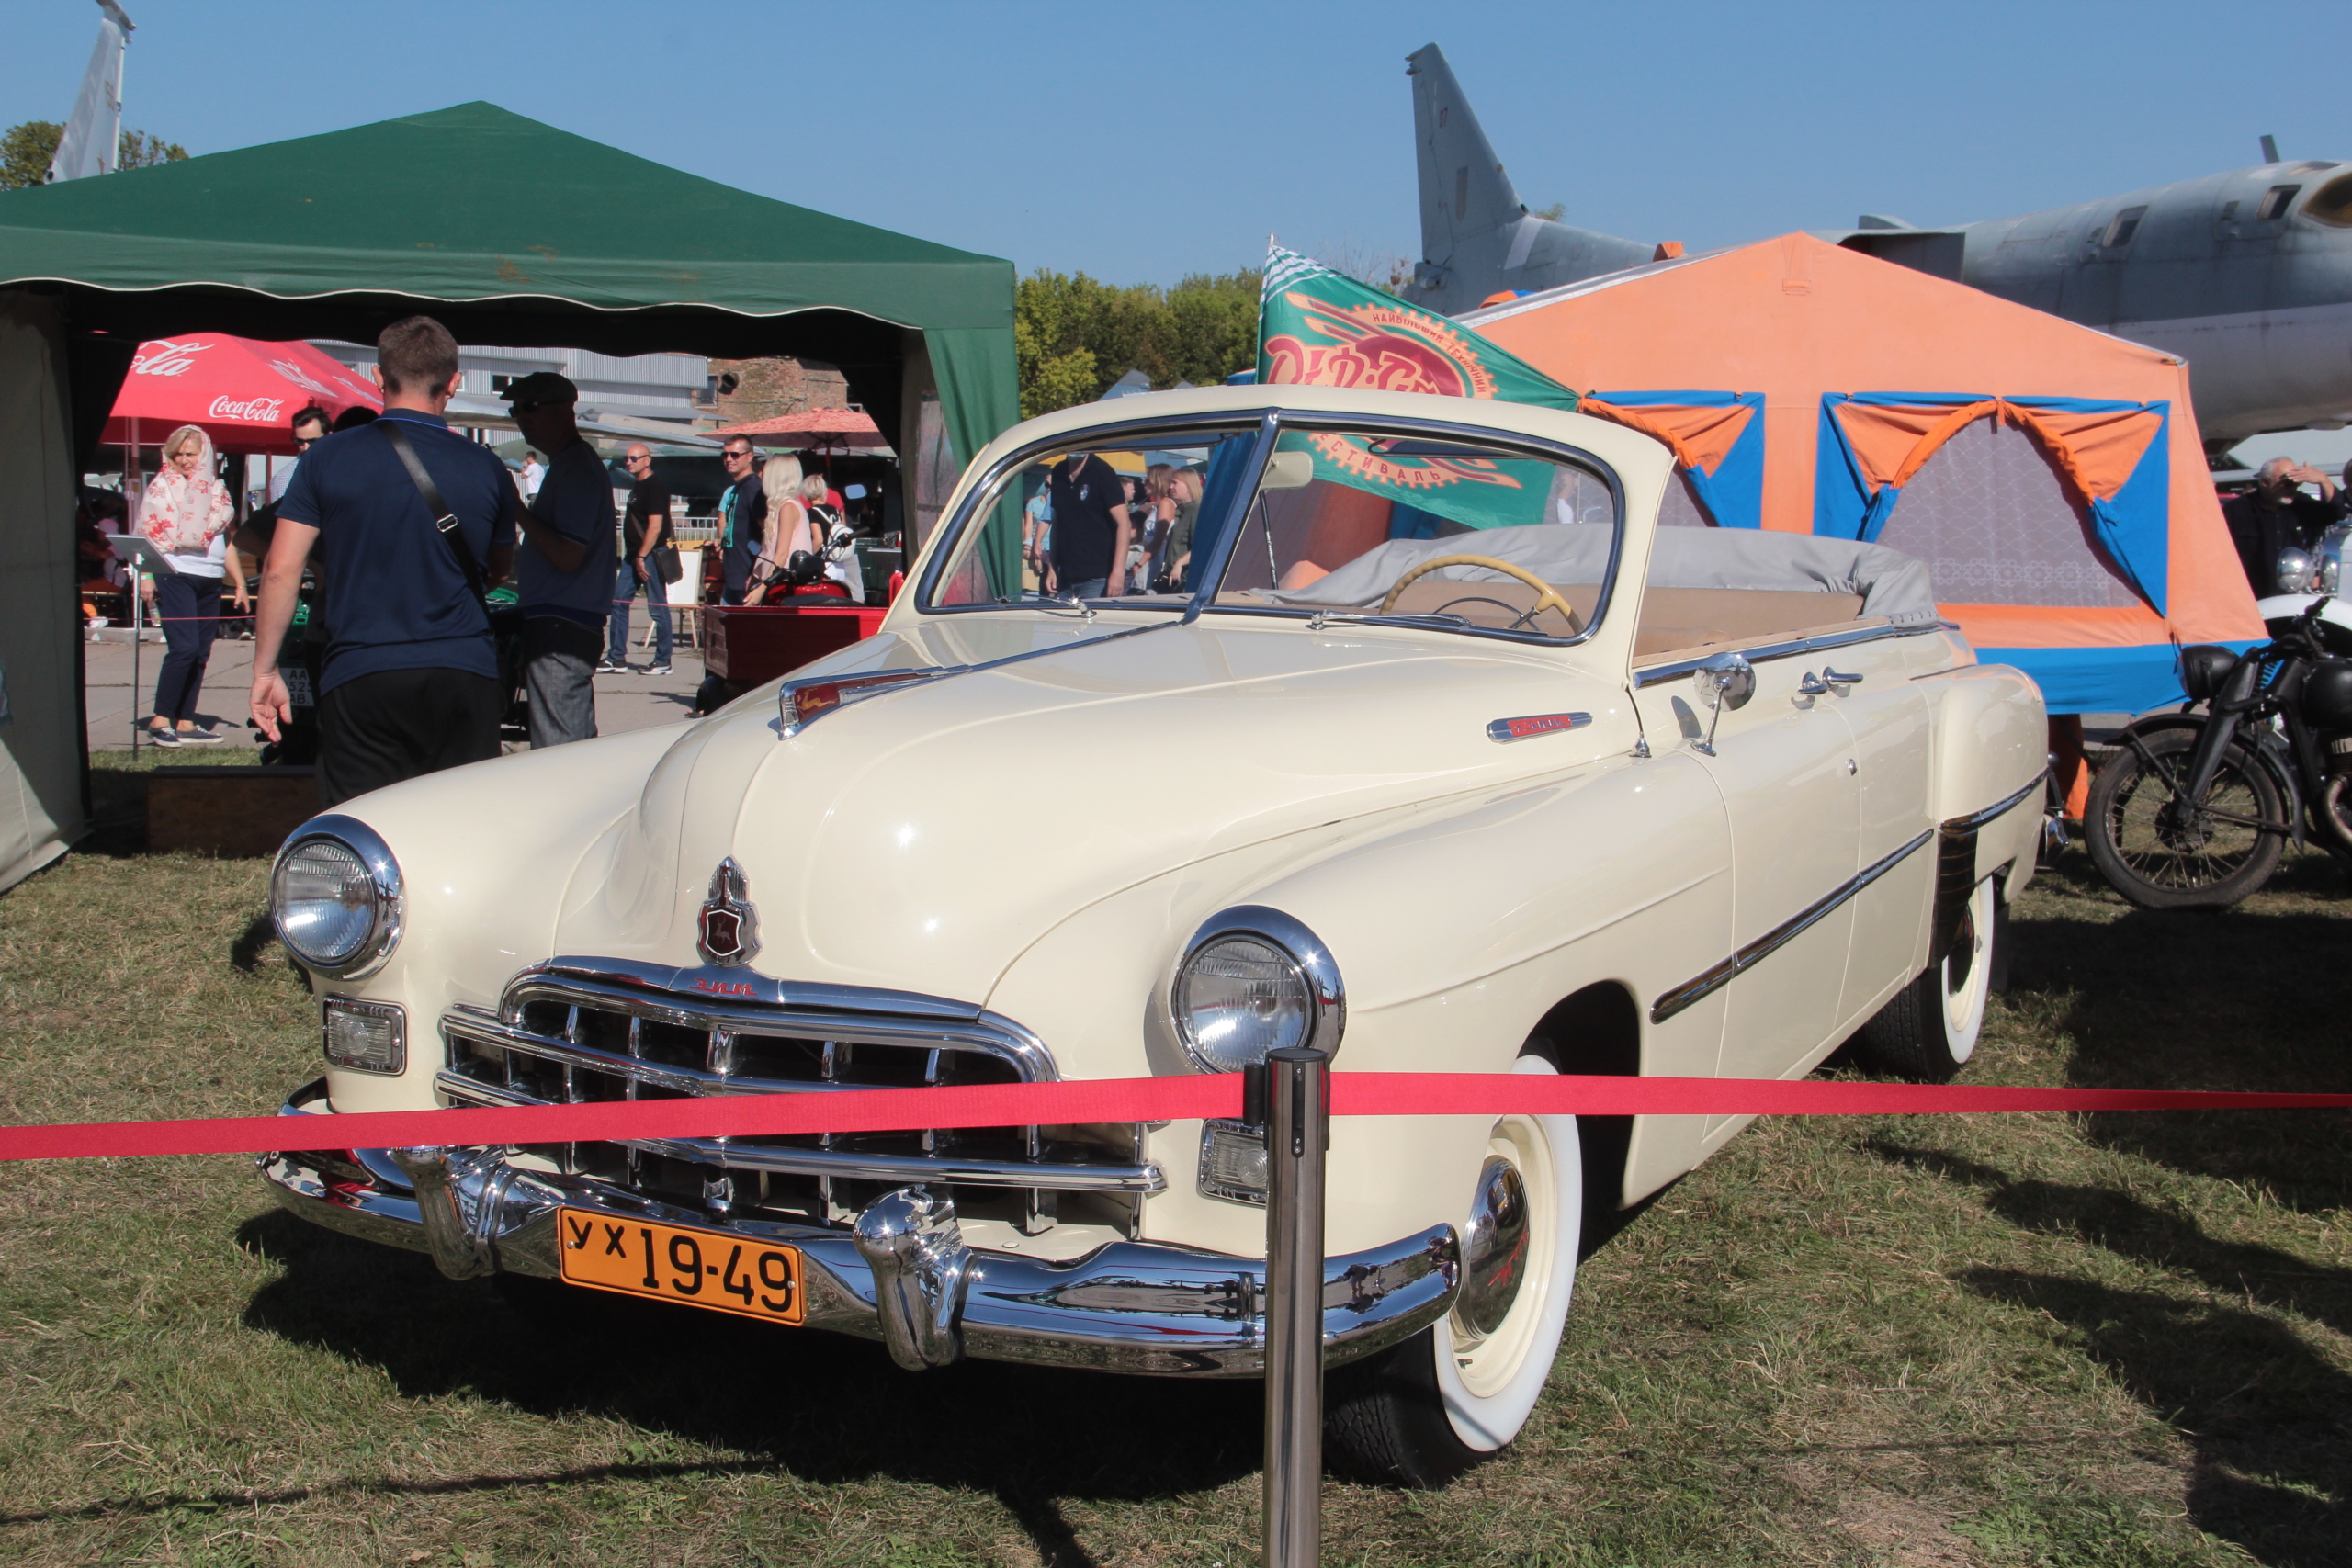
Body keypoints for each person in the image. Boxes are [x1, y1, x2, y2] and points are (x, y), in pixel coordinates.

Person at [250, 316, 517, 806]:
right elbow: (499, 569)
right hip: (462, 667)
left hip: (362, 666)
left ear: (378, 376)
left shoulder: (326, 458)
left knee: (364, 823)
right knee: (463, 821)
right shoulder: (487, 467)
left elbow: (280, 570)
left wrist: (265, 671)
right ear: (454, 382)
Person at [503, 372, 616, 746]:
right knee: (564, 742)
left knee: (560, 748)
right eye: (516, 410)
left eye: (530, 407)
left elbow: (568, 555)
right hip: (557, 621)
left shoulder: (576, 469)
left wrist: (517, 509)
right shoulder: (568, 465)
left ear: (564, 410)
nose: (522, 417)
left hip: (562, 624)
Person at [138, 424, 234, 744]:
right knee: (184, 647)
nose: (184, 460)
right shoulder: (161, 488)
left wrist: (238, 581)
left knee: (201, 652)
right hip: (175, 572)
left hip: (211, 575)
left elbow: (226, 537)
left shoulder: (217, 489)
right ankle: (161, 718)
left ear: (204, 454)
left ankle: (186, 721)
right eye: (177, 453)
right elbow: (147, 534)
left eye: (190, 454)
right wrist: (147, 576)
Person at [2223, 457, 2345, 595]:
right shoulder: (2237, 509)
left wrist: (2323, 480)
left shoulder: (2300, 505)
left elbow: (2336, 513)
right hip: (2250, 592)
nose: (2292, 488)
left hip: (2290, 592)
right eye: (2287, 483)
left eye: (2296, 484)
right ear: (2266, 482)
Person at [604, 444, 674, 675]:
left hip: (650, 556)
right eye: (627, 458)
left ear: (647, 460)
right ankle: (616, 658)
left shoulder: (654, 486)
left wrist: (642, 556)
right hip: (633, 557)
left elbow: (655, 527)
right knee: (619, 602)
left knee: (657, 608)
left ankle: (663, 661)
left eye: (634, 458)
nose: (629, 462)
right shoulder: (639, 485)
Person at [1046, 449, 1132, 599]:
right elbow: (1057, 523)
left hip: (1098, 577)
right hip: (1066, 576)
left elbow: (1124, 523)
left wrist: (1118, 572)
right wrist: (1052, 567)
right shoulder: (1059, 472)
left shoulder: (1102, 472)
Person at [749, 454, 808, 601]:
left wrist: (763, 588)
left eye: (766, 473)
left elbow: (782, 554)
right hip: (779, 582)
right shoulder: (788, 505)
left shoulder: (788, 507)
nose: (762, 477)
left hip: (782, 585)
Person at [717, 437, 765, 604]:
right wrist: (722, 543)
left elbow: (767, 533)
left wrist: (756, 574)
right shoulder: (738, 488)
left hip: (748, 576)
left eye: (735, 454)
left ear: (750, 456)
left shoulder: (753, 487)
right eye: (725, 455)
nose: (729, 459)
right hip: (733, 576)